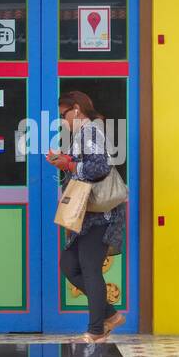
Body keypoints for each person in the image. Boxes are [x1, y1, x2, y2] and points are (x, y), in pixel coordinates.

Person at [46, 91, 126, 344]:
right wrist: (65, 160)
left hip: (100, 216)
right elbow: (86, 161)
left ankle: (96, 331)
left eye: (64, 114)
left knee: (90, 270)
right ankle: (110, 316)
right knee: (70, 265)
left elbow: (99, 167)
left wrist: (68, 165)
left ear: (77, 109)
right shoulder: (84, 133)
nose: (63, 119)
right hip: (87, 215)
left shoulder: (91, 131)